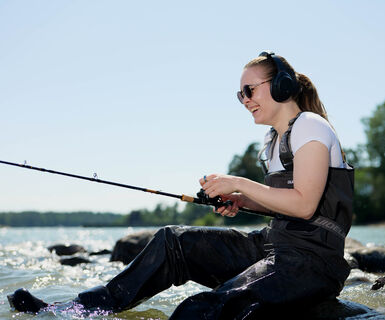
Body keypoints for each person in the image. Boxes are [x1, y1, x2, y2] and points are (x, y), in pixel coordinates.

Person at [8, 51, 354, 319]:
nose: (245, 99)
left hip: (311, 263)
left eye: (249, 90)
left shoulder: (309, 125)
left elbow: (306, 205)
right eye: (240, 94)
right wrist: (242, 200)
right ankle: (79, 310)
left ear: (281, 86)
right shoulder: (273, 141)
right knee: (173, 241)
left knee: (202, 309)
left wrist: (239, 183)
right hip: (272, 246)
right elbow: (284, 203)